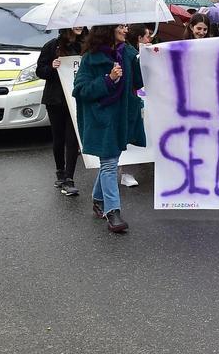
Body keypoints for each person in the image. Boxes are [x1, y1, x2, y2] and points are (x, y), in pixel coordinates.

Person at [71, 23, 146, 234]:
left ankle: (97, 199)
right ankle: (113, 212)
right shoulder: (91, 58)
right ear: (108, 30)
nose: (125, 30)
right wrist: (108, 79)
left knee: (110, 161)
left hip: (122, 117)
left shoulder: (128, 53)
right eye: (121, 27)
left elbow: (138, 82)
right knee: (110, 162)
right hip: (102, 119)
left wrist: (142, 58)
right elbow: (81, 90)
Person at [36, 26, 86, 196]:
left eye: (81, 23)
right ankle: (60, 171)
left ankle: (69, 179)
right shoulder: (51, 46)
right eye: (75, 23)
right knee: (59, 138)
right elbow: (40, 71)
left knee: (73, 139)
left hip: (75, 99)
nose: (79, 26)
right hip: (55, 100)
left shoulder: (85, 45)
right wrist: (52, 66)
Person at [118, 24, 155, 188]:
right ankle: (125, 172)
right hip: (129, 100)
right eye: (147, 36)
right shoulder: (127, 53)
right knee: (130, 135)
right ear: (139, 38)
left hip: (137, 99)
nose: (150, 40)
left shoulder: (131, 52)